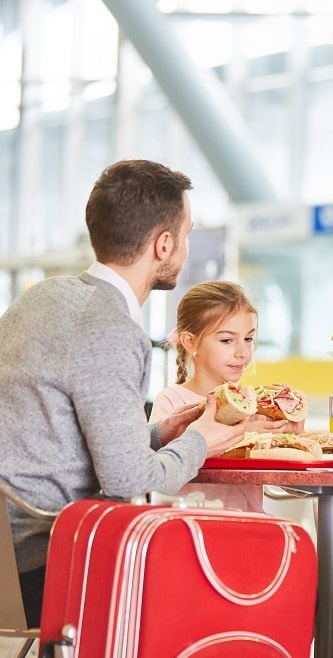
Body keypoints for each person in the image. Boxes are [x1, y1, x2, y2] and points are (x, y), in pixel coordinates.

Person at [0, 159, 246, 627]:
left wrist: (159, 434)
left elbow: (60, 437)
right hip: (44, 563)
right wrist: (203, 440)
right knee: (212, 581)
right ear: (164, 244)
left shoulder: (41, 297)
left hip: (6, 555)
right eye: (187, 235)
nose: (187, 248)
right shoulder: (112, 329)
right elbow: (131, 485)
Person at [149, 280, 304, 434]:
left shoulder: (254, 407)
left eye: (248, 339)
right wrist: (243, 435)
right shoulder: (171, 402)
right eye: (226, 340)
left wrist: (292, 432)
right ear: (190, 342)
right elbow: (165, 456)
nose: (243, 352)